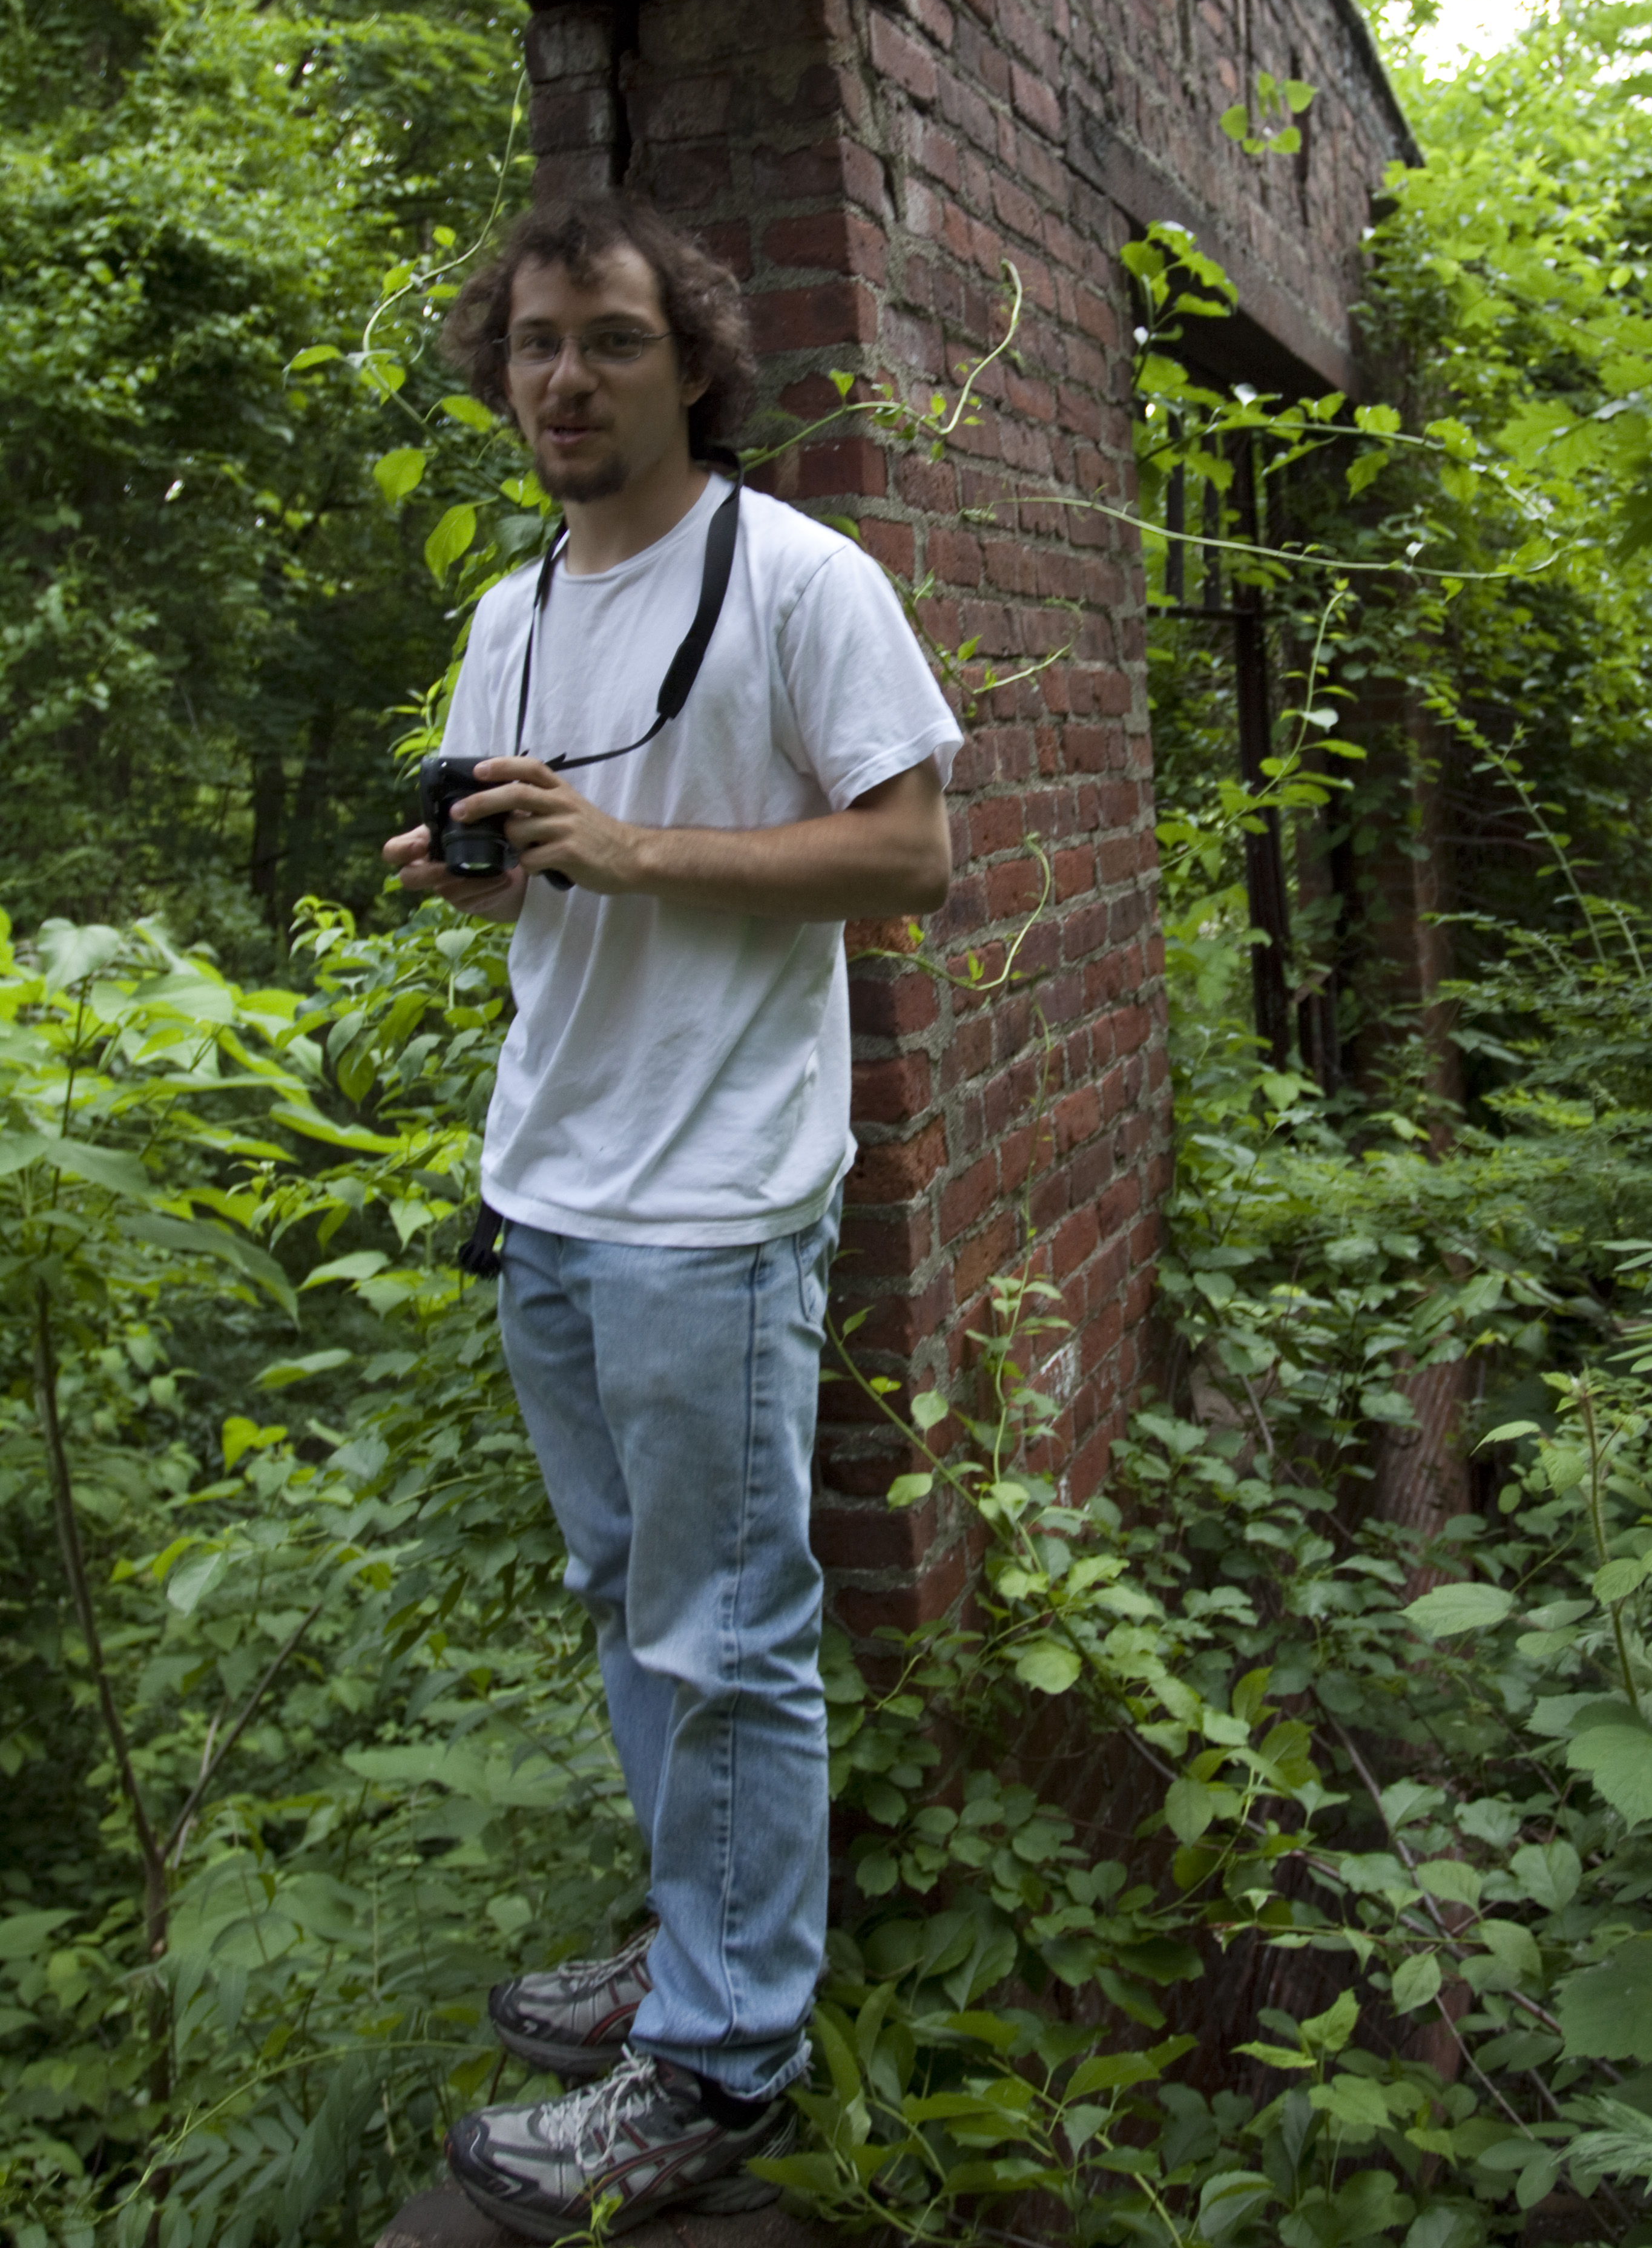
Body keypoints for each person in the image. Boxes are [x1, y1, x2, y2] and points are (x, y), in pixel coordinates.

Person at [382, 196, 958, 2238]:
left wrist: (628, 847)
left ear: (691, 363)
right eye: (536, 342)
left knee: (727, 1634)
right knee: (640, 1602)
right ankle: (699, 1940)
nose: (567, 378)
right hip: (545, 1183)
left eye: (611, 340)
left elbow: (911, 856)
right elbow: (546, 890)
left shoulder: (800, 577)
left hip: (713, 1201)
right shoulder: (516, 610)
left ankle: (723, 2060)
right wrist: (490, 868)